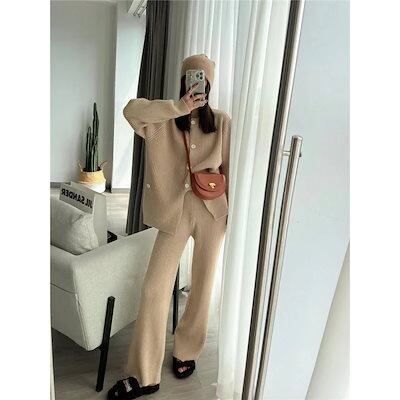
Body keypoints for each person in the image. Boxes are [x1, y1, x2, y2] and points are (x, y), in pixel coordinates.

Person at [108, 54, 231, 400]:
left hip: (212, 212)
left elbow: (229, 167)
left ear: (210, 84)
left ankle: (186, 350)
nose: (197, 84)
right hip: (173, 212)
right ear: (183, 81)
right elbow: (131, 111)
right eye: (191, 77)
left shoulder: (222, 122)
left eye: (202, 78)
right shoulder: (162, 120)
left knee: (202, 286)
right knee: (154, 288)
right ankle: (144, 375)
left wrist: (229, 213)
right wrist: (179, 107)